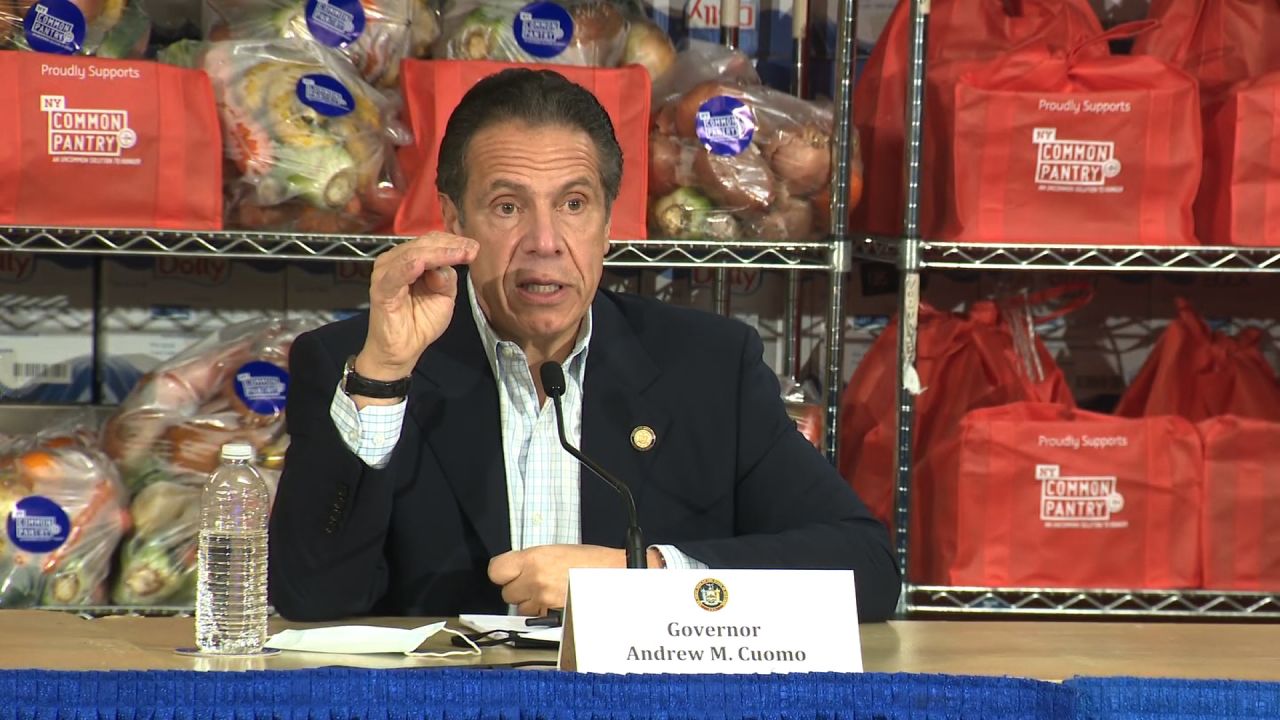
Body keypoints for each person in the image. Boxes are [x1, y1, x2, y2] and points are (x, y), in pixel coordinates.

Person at [268, 68, 900, 622]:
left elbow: (866, 570)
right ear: (455, 221)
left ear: (606, 224)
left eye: (573, 204)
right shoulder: (359, 362)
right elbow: (310, 597)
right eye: (508, 206)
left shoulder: (709, 367)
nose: (545, 240)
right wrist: (383, 377)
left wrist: (639, 577)